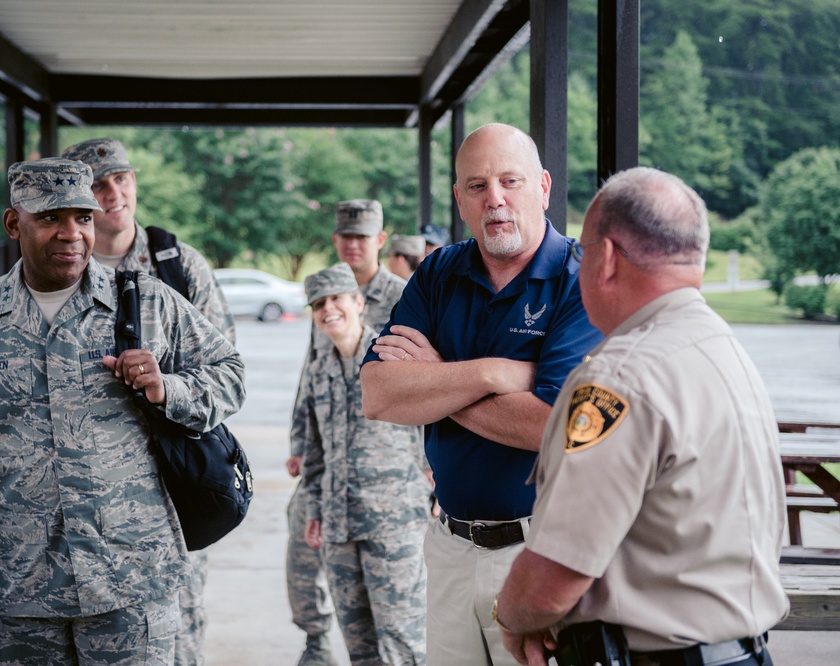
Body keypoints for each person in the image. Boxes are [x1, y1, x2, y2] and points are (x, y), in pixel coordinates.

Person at [0, 158, 245, 666]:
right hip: (24, 593)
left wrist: (167, 388)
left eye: (82, 218)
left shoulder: (146, 303)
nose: (72, 234)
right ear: (14, 223)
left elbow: (230, 375)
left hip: (131, 585)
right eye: (50, 219)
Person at [494, 167, 789, 666]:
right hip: (742, 652)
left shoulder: (618, 379)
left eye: (583, 253)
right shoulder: (722, 348)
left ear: (606, 258)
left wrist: (512, 617)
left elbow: (557, 574)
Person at [360, 123, 603, 666]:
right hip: (448, 545)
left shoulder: (578, 281)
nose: (494, 198)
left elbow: (552, 425)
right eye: (476, 186)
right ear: (460, 201)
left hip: (540, 548)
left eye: (509, 181)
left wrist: (439, 377)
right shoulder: (439, 273)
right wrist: (495, 372)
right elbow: (378, 393)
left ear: (542, 187)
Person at [61, 136, 234, 665]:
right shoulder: (60, 271)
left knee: (175, 637)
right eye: (98, 185)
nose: (113, 193)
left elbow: (225, 378)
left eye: (121, 179)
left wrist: (168, 387)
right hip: (82, 497)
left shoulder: (177, 265)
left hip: (170, 488)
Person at [285, 199, 407, 666]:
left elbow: (423, 389)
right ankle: (315, 638)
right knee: (306, 543)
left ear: (379, 240)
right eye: (345, 237)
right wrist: (300, 441)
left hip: (387, 485)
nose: (353, 244)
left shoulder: (401, 295)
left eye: (362, 237)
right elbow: (310, 375)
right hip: (333, 468)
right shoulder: (327, 298)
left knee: (395, 620)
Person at [299, 263, 429, 665]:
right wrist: (315, 509)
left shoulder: (393, 359)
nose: (328, 309)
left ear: (358, 302)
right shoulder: (318, 372)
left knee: (402, 640)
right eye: (318, 304)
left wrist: (437, 485)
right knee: (359, 645)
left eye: (336, 298)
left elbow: (434, 424)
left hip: (393, 522)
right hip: (339, 528)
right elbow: (314, 451)